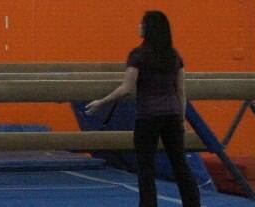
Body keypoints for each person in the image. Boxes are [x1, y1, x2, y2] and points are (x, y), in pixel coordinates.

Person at [85, 11, 200, 207]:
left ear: (149, 28)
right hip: (172, 115)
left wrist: (101, 102)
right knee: (179, 163)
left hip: (148, 116)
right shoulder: (174, 55)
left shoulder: (138, 55)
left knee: (146, 167)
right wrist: (180, 119)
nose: (138, 26)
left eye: (141, 23)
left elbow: (127, 88)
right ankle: (193, 204)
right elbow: (181, 91)